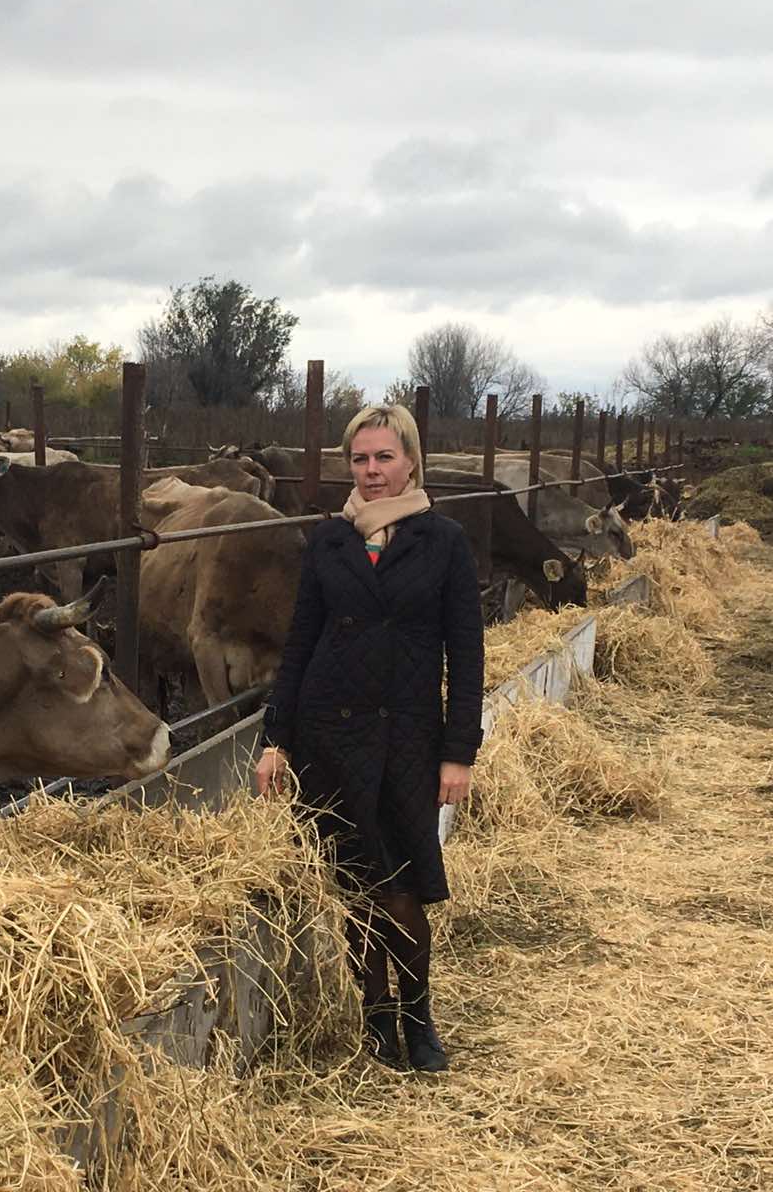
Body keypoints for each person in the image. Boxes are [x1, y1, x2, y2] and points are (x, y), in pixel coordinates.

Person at [255, 403, 483, 1073]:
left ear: (411, 460)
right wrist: (276, 739)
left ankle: (418, 1014)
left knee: (403, 885)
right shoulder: (330, 540)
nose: (372, 471)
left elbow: (466, 657)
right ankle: (375, 1012)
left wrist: (458, 752)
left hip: (408, 738)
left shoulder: (444, 540)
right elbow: (300, 644)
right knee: (355, 882)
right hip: (330, 736)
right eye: (360, 459)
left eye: (384, 457)